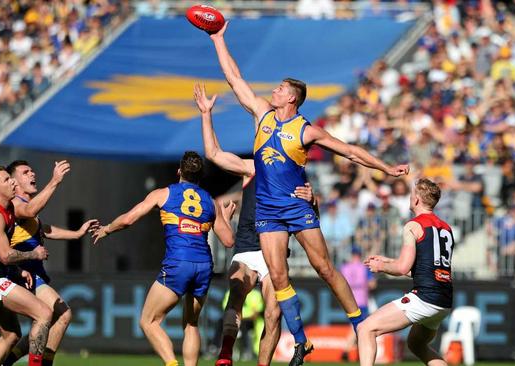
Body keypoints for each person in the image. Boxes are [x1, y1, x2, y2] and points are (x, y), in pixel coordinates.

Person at [209, 22, 409, 365]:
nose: (273, 91)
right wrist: (218, 38)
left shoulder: (305, 130)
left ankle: (358, 321)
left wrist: (385, 168)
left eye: (280, 88)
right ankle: (302, 342)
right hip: (268, 214)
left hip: (295, 207)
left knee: (324, 268)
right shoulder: (262, 116)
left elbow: (350, 151)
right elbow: (234, 78)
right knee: (281, 277)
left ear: (292, 97)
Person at [194, 84, 316, 366]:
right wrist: (205, 114)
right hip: (249, 242)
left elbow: (311, 213)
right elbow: (213, 153)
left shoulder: (295, 172)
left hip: (276, 247)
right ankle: (225, 354)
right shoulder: (253, 167)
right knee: (236, 295)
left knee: (273, 313)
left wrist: (312, 199)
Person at [92, 151, 237, 366]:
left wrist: (107, 229)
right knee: (191, 323)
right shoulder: (210, 201)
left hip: (178, 263)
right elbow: (228, 240)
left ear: (179, 171)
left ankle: (171, 363)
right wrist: (224, 217)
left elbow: (129, 219)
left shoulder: (163, 194)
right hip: (203, 265)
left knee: (149, 321)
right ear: (200, 176)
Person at [1, 160, 99, 366]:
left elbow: (43, 228)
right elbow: (29, 212)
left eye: (32, 170)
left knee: (45, 321)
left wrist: (76, 234)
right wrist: (54, 181)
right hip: (22, 272)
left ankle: (7, 362)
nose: (32, 174)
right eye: (26, 172)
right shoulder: (16, 204)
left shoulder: (28, 209)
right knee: (62, 314)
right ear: (13, 182)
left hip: (34, 271)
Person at [357, 179, 453, 366]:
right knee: (417, 344)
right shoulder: (445, 228)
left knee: (365, 328)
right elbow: (423, 270)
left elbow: (402, 269)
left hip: (425, 298)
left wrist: (381, 267)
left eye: (411, 194)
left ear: (416, 200)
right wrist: (389, 260)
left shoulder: (413, 225)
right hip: (444, 300)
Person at [0, 166, 51, 366]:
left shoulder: (7, 209)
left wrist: (19, 271)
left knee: (12, 336)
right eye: (7, 180)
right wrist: (35, 253)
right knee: (44, 313)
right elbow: (6, 256)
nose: (13, 182)